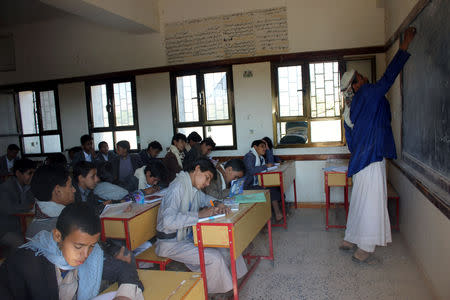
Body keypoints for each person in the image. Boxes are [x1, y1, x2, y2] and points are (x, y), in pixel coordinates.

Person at [339, 27, 416, 264]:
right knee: (369, 200)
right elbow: (388, 78)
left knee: (362, 199)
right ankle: (361, 241)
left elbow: (351, 139)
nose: (363, 77)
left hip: (363, 158)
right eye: (360, 77)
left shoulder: (350, 108)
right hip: (370, 157)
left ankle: (358, 240)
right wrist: (403, 48)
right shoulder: (370, 93)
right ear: (355, 85)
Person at [0, 202, 144, 300]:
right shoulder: (24, 265)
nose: (85, 255)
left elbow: (124, 267)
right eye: (78, 246)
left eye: (92, 246)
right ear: (58, 236)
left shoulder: (92, 257)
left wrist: (124, 295)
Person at [155, 158, 247, 295]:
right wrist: (198, 215)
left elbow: (205, 199)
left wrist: (216, 203)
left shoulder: (192, 187)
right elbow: (168, 221)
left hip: (186, 236)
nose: (207, 183)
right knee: (214, 257)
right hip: (171, 243)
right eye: (207, 178)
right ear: (197, 169)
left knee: (227, 245)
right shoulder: (177, 187)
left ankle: (233, 279)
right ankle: (211, 293)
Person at [26, 165, 75, 239]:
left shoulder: (36, 222)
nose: (74, 190)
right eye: (71, 186)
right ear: (58, 191)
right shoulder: (63, 226)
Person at [0, 158, 36, 256]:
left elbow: (34, 202)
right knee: (21, 243)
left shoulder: (28, 186)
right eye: (29, 173)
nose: (32, 177)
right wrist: (28, 206)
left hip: (22, 225)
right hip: (6, 229)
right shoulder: (5, 188)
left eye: (33, 173)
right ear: (18, 173)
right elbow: (9, 209)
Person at [243, 139, 283, 222]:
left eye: (265, 147)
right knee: (270, 190)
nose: (264, 149)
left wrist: (268, 150)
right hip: (248, 186)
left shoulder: (260, 158)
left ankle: (275, 214)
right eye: (262, 147)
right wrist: (265, 166)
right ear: (255, 147)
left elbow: (270, 163)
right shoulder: (250, 156)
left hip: (257, 183)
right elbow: (251, 170)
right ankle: (274, 214)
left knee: (273, 188)